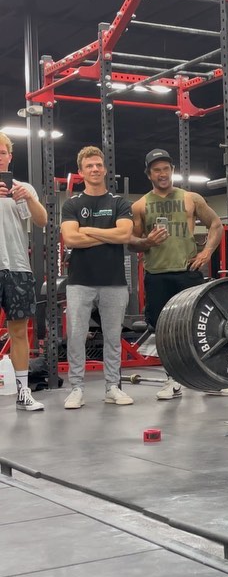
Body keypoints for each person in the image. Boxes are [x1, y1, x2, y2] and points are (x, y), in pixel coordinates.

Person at [129, 149, 223, 400]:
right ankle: (172, 380)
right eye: (157, 170)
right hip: (157, 275)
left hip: (187, 273)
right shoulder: (140, 205)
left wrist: (206, 253)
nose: (162, 174)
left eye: (166, 169)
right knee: (164, 332)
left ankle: (208, 379)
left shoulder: (191, 198)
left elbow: (216, 224)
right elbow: (131, 242)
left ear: (172, 170)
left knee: (199, 327)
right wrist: (147, 241)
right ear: (149, 174)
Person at [60, 146, 134, 409]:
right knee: (76, 336)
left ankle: (112, 387)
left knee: (113, 337)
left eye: (98, 165)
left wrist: (87, 230)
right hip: (80, 281)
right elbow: (70, 239)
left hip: (114, 281)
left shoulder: (119, 203)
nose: (94, 169)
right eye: (89, 166)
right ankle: (76, 388)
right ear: (81, 172)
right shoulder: (72, 204)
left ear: (104, 169)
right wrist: (108, 234)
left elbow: (124, 235)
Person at [0, 133, 48, 411]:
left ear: (10, 156)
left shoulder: (22, 188)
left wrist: (29, 198)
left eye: (2, 152)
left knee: (18, 332)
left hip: (18, 268)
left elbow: (41, 220)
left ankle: (23, 393)